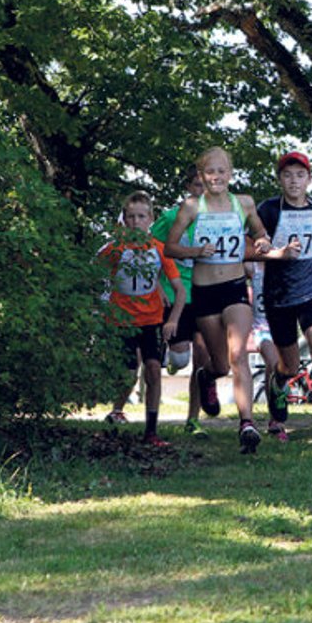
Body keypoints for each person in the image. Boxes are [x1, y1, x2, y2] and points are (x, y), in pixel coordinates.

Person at [164, 147, 273, 454]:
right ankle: (206, 375)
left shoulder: (244, 203)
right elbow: (170, 248)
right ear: (201, 176)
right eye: (209, 172)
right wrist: (196, 252)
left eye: (221, 171)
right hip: (205, 292)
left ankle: (247, 423)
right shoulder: (191, 207)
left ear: (230, 173)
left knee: (239, 355)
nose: (216, 177)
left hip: (235, 287)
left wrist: (263, 241)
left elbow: (261, 233)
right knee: (222, 365)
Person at [253, 151, 312, 451]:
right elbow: (252, 245)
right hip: (278, 294)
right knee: (290, 366)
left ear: (309, 178)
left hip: (311, 291)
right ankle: (278, 384)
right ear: (280, 179)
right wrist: (274, 252)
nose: (294, 181)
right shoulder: (268, 209)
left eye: (300, 175)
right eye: (288, 175)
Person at [100, 191, 186, 447]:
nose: (136, 222)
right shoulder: (115, 249)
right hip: (122, 321)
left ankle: (151, 430)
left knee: (153, 371)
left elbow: (179, 289)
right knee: (127, 373)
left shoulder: (159, 250)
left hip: (151, 321)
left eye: (141, 216)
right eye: (131, 217)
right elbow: (94, 275)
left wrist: (173, 320)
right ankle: (117, 409)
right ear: (124, 220)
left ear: (150, 218)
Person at [149, 167, 211, 439]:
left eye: (205, 185)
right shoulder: (171, 217)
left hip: (206, 291)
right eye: (196, 185)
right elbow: (149, 246)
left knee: (202, 358)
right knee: (181, 357)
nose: (201, 190)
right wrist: (156, 284)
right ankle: (173, 363)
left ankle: (193, 419)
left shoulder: (215, 218)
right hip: (176, 293)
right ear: (187, 187)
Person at [245, 260, 283, 440]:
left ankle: (275, 418)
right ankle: (274, 420)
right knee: (274, 363)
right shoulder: (253, 267)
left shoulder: (284, 265)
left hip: (282, 327)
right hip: (261, 328)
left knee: (280, 370)